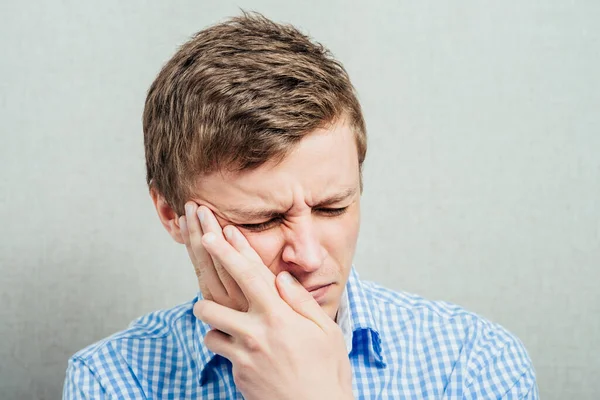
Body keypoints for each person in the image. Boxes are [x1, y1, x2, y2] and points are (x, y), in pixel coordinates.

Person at [63, 12, 538, 399]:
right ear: (172, 215)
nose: (309, 257)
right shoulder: (113, 381)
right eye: (264, 220)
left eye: (333, 207)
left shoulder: (473, 364)